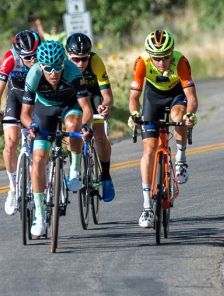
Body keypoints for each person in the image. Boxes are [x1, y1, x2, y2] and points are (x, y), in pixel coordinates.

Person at [20, 40, 94, 236]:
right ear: (41, 66)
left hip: (69, 105)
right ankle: (40, 214)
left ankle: (75, 169)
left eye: (58, 67)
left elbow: (87, 108)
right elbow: (25, 114)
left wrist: (85, 126)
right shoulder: (34, 74)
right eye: (49, 69)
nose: (53, 73)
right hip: (44, 109)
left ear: (64, 63)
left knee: (72, 126)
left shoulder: (73, 72)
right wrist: (31, 126)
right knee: (37, 160)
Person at [128, 29, 198, 229]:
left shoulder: (181, 62)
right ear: (150, 56)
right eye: (156, 58)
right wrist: (134, 115)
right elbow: (134, 98)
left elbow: (191, 97)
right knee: (149, 149)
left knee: (178, 117)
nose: (161, 62)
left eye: (165, 57)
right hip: (152, 97)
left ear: (172, 53)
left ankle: (180, 159)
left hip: (176, 95)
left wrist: (190, 115)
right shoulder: (141, 62)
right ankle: (147, 207)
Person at [0, 30, 40, 215]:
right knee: (10, 144)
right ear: (18, 54)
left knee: (40, 142)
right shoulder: (10, 58)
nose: (33, 60)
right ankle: (13, 186)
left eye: (35, 55)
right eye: (27, 57)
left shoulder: (43, 57)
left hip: (36, 100)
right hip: (16, 99)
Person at [64, 33, 116, 202]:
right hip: (74, 97)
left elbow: (107, 96)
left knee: (100, 137)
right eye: (75, 59)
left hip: (93, 96)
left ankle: (106, 176)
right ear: (67, 56)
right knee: (70, 130)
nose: (80, 63)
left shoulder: (96, 62)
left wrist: (105, 106)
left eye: (84, 58)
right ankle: (75, 168)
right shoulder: (63, 66)